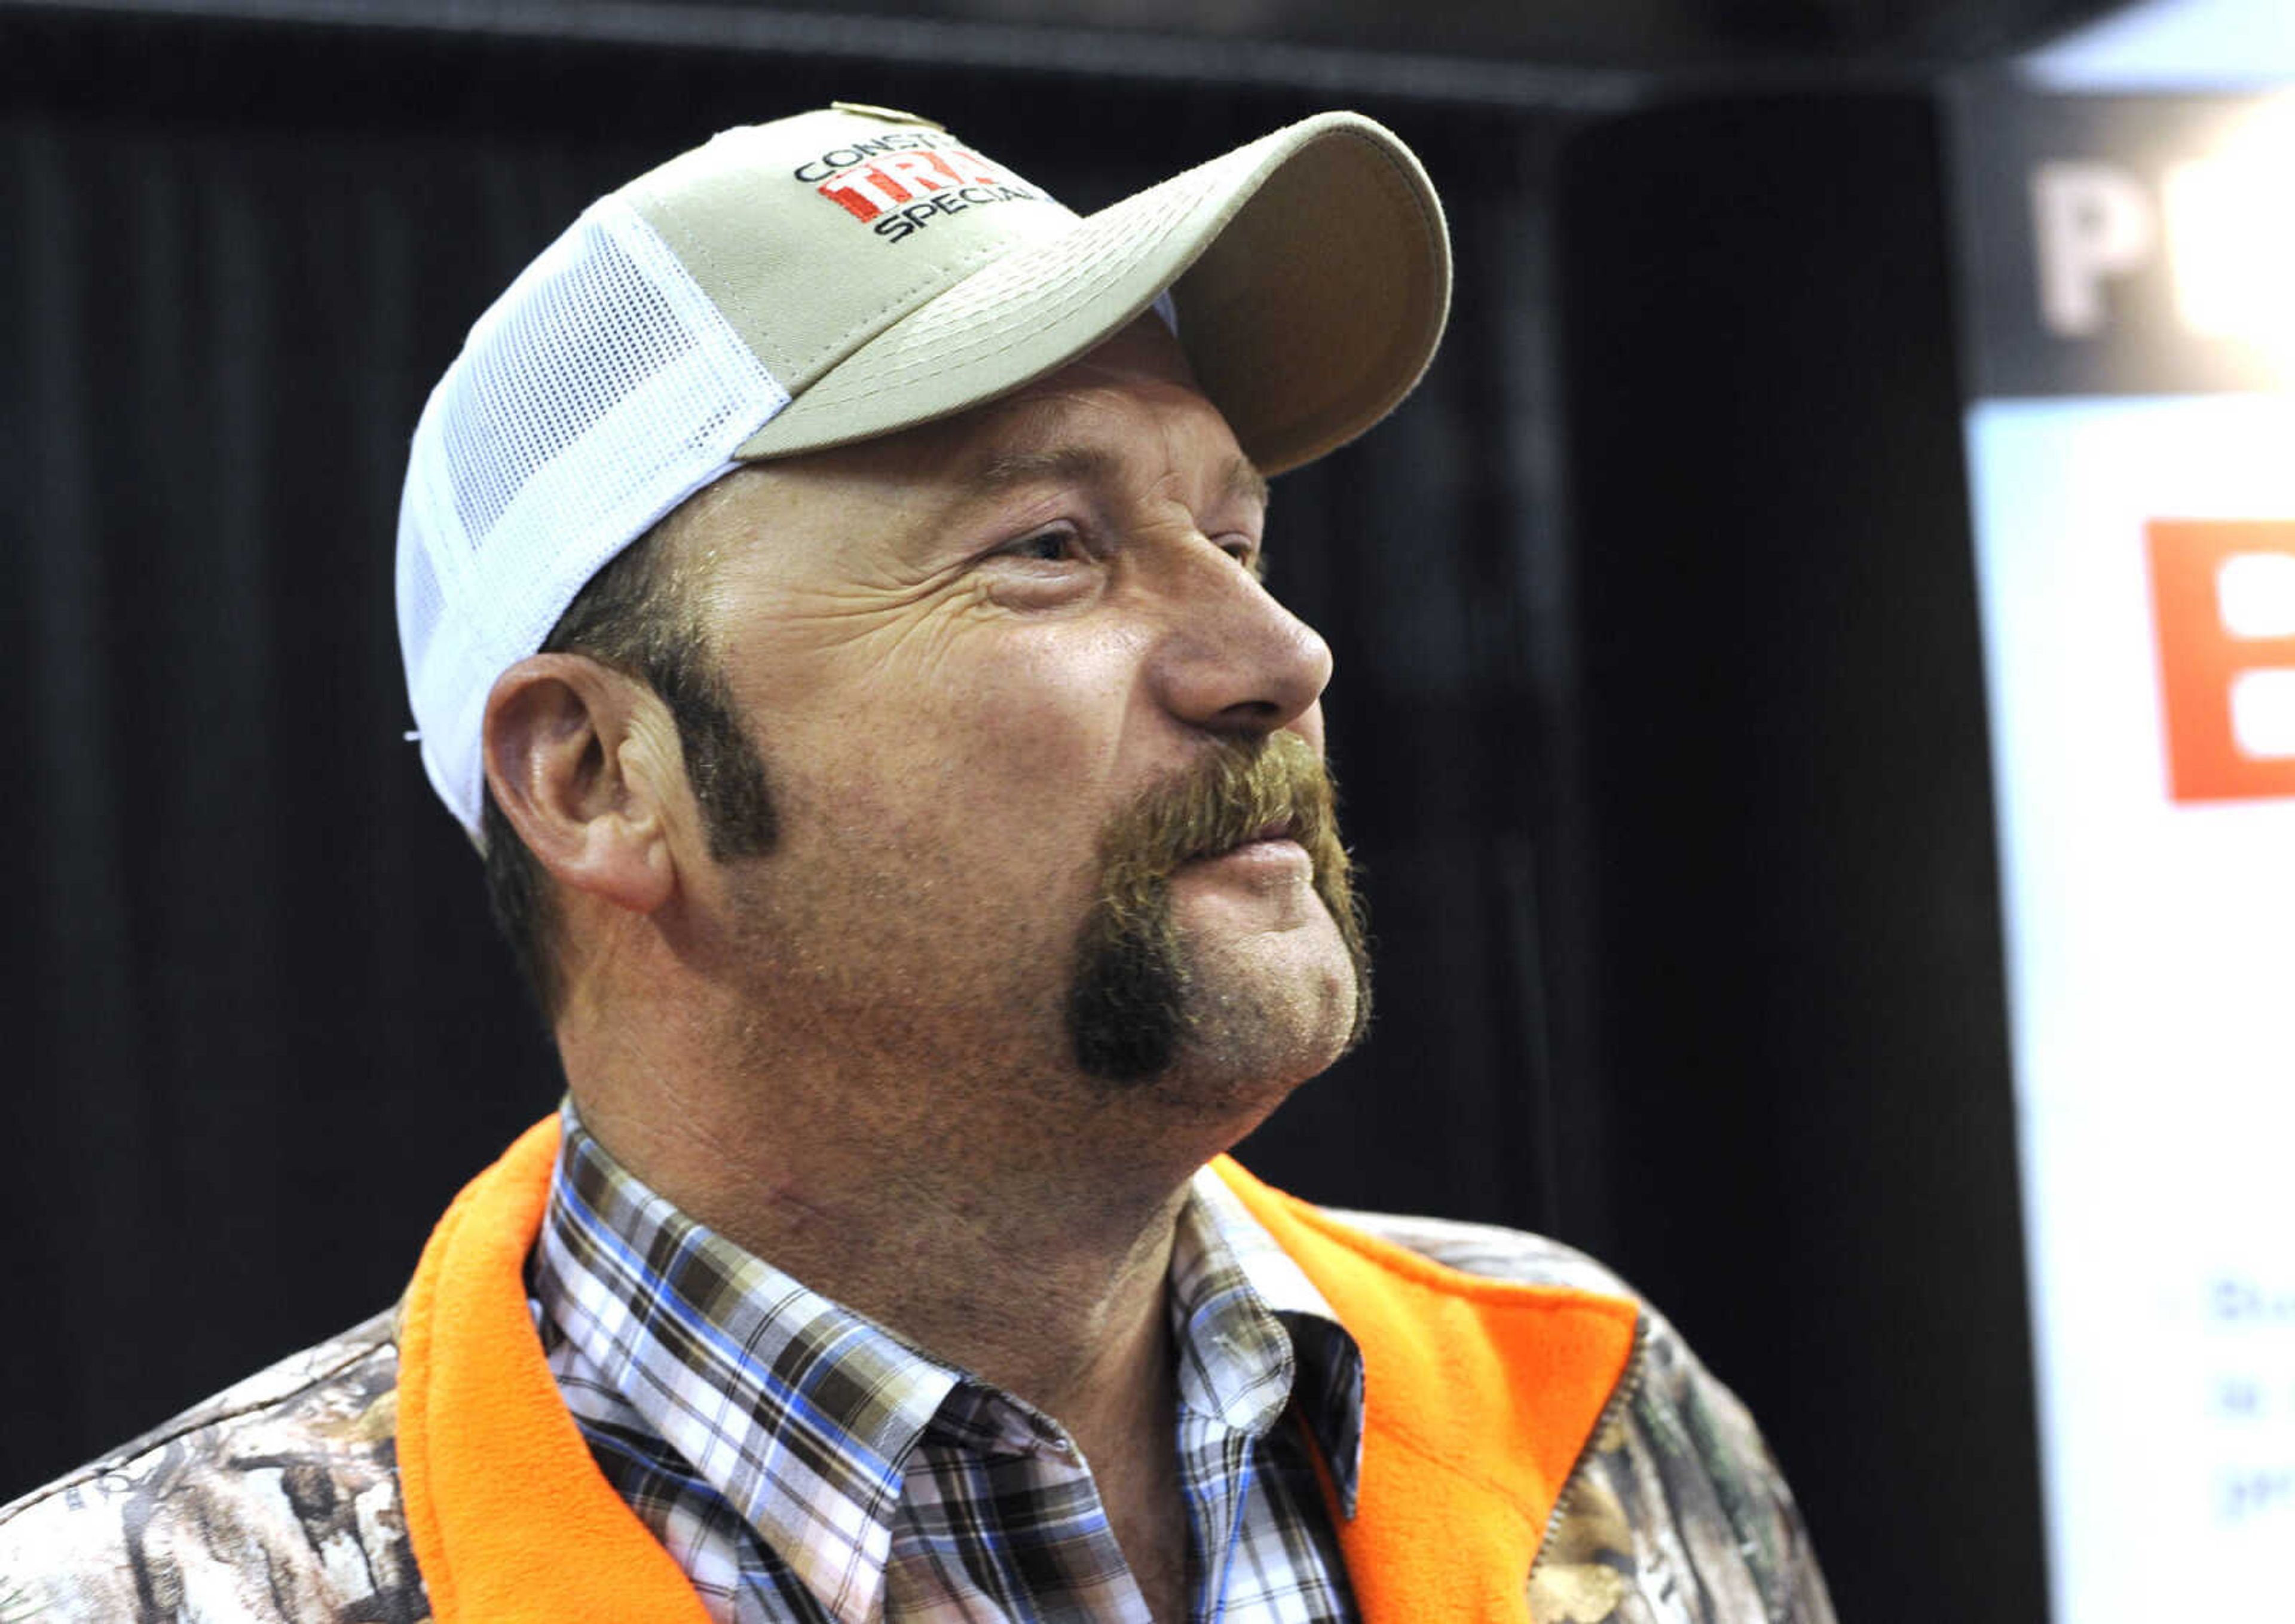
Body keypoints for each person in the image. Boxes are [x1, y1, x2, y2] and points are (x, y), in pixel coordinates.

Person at [0, 104, 1834, 1623]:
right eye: (1049, 547)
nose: (1278, 658)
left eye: (1235, 532)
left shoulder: (1595, 1416)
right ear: (595, 776)